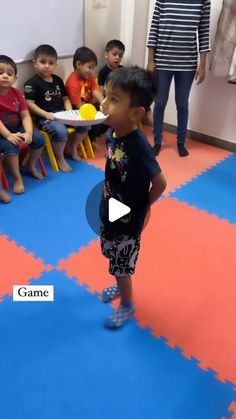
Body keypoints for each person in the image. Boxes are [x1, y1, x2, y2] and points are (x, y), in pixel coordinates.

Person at [99, 66, 167, 329]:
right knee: (110, 251)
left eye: (114, 99)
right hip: (110, 206)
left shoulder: (139, 146)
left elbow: (160, 182)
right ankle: (119, 284)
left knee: (122, 263)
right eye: (105, 95)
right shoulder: (111, 134)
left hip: (129, 216)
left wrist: (143, 207)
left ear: (136, 113)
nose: (104, 103)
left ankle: (127, 304)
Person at [147, 0, 211, 157]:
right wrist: (150, 60)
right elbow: (154, 27)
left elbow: (204, 31)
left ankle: (181, 142)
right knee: (160, 103)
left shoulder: (204, 1)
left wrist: (202, 65)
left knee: (182, 104)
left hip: (187, 64)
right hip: (162, 61)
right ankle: (157, 142)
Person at [24, 44, 87, 170]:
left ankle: (72, 148)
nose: (47, 65)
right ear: (35, 63)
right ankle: (60, 158)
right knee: (60, 131)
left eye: (51, 63)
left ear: (55, 65)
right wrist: (46, 114)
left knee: (85, 124)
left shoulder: (57, 80)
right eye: (43, 62)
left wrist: (70, 111)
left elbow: (65, 98)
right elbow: (29, 104)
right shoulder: (31, 83)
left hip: (62, 113)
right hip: (46, 117)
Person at [0, 55, 45, 195]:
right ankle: (17, 177)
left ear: (15, 78)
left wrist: (29, 133)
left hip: (17, 127)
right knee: (10, 147)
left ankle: (31, 164)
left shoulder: (17, 93)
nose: (5, 76)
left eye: (9, 73)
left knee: (39, 139)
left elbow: (25, 115)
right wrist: (8, 135)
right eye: (0, 73)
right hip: (2, 132)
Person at [65, 47, 104, 151]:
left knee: (104, 113)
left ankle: (93, 138)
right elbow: (78, 105)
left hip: (88, 106)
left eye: (93, 68)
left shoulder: (89, 77)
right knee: (94, 121)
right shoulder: (72, 82)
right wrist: (93, 115)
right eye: (89, 67)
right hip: (77, 110)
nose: (91, 71)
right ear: (78, 65)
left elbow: (96, 91)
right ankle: (89, 141)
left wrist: (105, 103)